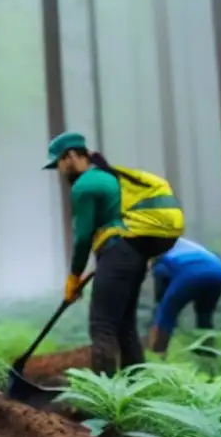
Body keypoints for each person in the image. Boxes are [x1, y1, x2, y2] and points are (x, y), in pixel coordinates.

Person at [45, 131, 183, 376]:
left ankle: (103, 399)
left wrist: (73, 277)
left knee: (102, 326)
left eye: (59, 163)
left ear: (72, 156)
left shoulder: (85, 186)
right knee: (124, 326)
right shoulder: (109, 177)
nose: (60, 170)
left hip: (118, 253)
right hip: (134, 255)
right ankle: (136, 393)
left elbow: (83, 236)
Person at [148, 238, 221, 356]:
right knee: (205, 316)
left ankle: (157, 358)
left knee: (165, 314)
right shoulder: (179, 242)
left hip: (191, 273)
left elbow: (161, 288)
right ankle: (208, 356)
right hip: (219, 272)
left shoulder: (158, 251)